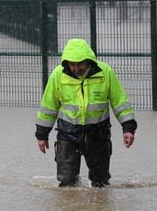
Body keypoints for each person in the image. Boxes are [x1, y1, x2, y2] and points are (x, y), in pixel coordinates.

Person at [35, 38, 137, 188]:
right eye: (72, 64)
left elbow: (120, 102)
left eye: (80, 64)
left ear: (88, 61)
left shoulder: (105, 72)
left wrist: (128, 128)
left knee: (100, 183)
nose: (76, 68)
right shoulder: (58, 75)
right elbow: (48, 107)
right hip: (67, 134)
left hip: (98, 134)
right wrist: (42, 135)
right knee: (67, 183)